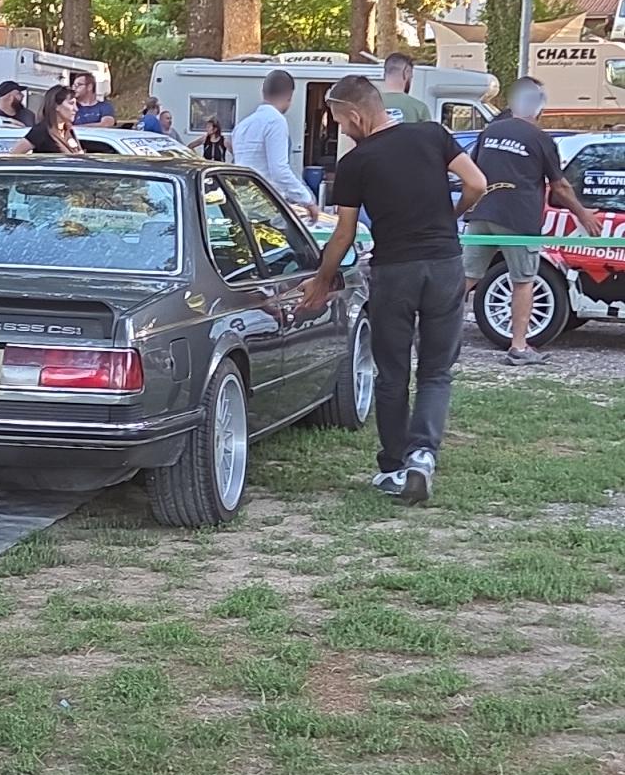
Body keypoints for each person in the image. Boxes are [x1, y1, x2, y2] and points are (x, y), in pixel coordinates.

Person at [300, 76, 487, 505]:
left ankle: (394, 467)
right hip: (444, 265)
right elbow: (476, 183)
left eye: (340, 122)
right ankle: (423, 455)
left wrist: (322, 280)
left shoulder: (356, 163)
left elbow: (344, 233)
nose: (342, 131)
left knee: (392, 372)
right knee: (437, 371)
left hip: (394, 271)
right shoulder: (432, 134)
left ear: (355, 114)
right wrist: (451, 215)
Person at [465, 76, 600, 363]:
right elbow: (560, 186)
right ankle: (519, 347)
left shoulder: (490, 131)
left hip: (483, 214)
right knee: (523, 280)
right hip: (518, 221)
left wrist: (463, 208)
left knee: (465, 279)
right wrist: (584, 214)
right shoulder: (541, 139)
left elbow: (472, 172)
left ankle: (435, 336)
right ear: (539, 107)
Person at [231, 70, 320, 221]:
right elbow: (279, 170)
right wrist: (307, 200)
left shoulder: (243, 125)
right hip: (266, 204)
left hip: (241, 200)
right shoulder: (276, 121)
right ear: (289, 96)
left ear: (263, 92)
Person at [10, 84, 85, 156]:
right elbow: (13, 156)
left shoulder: (68, 131)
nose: (76, 109)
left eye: (76, 104)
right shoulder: (41, 131)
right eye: (71, 103)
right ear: (56, 106)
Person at [381, 51, 430, 124]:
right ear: (406, 73)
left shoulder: (368, 105)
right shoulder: (420, 108)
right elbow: (429, 134)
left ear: (384, 74)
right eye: (411, 76)